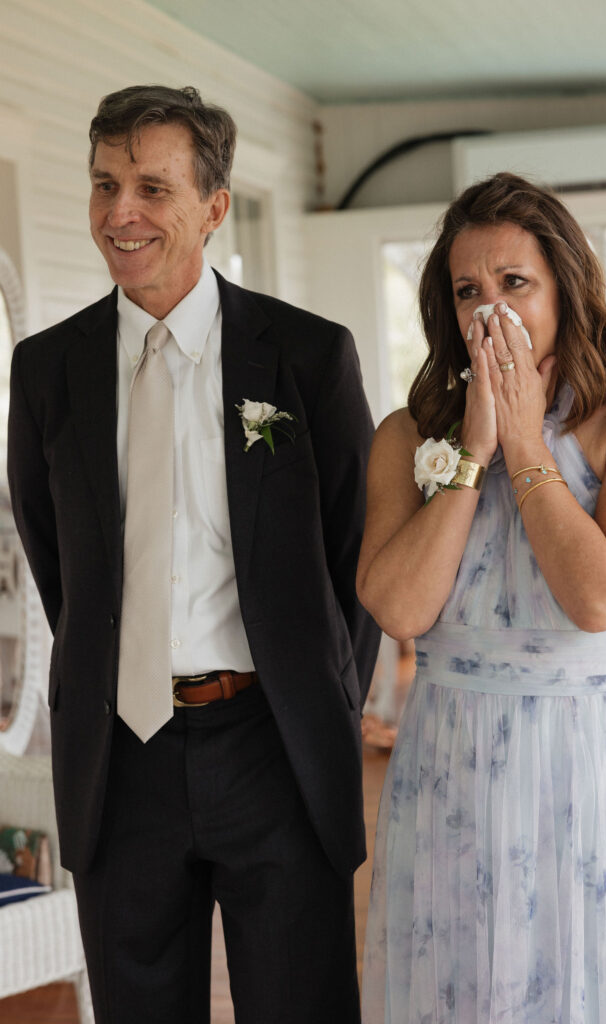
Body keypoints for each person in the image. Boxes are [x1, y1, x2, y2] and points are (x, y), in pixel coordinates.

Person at [8, 84, 380, 1024]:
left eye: (151, 187)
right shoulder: (46, 368)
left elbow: (358, 560)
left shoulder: (307, 356)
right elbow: (57, 564)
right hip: (119, 759)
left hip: (275, 749)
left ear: (214, 206)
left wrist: (321, 700)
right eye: (103, 185)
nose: (120, 214)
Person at [357, 172, 606, 1023]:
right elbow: (397, 609)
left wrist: (525, 440)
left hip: (585, 771)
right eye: (467, 290)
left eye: (513, 283)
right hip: (446, 768)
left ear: (565, 290)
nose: (487, 310)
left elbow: (601, 599)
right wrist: (470, 452)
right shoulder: (407, 434)